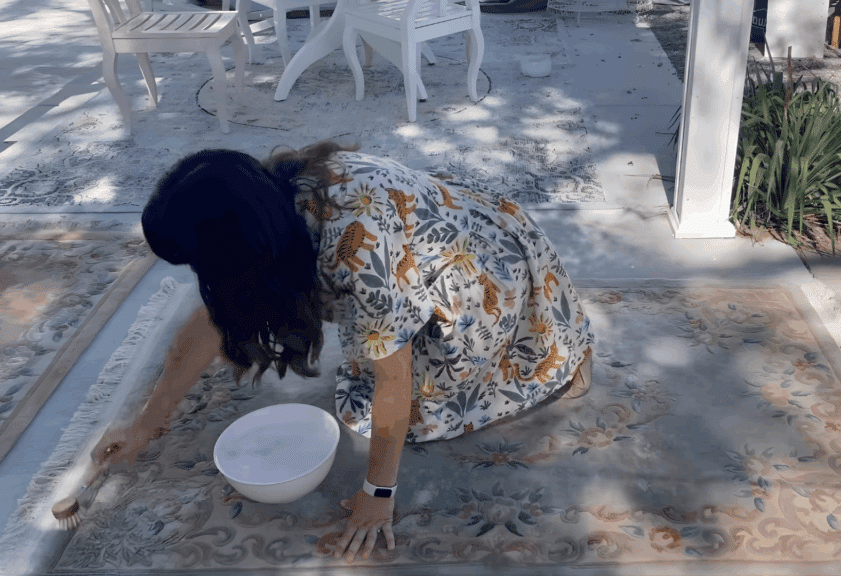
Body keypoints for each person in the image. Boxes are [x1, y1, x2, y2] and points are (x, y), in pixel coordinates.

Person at [91, 141, 595, 562]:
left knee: (411, 415)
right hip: (424, 245)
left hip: (480, 273)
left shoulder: (357, 253)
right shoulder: (270, 202)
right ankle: (551, 343)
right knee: (368, 388)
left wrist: (379, 495)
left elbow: (393, 380)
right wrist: (147, 422)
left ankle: (558, 345)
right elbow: (213, 316)